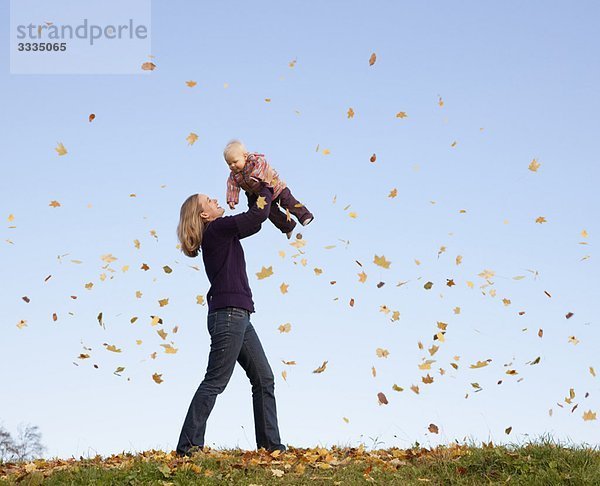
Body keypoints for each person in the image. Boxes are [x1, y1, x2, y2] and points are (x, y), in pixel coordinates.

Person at [175, 180, 287, 457]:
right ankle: (188, 447)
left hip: (237, 316)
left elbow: (254, 221)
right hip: (229, 316)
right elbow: (258, 216)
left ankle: (271, 447)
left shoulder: (221, 233)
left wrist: (253, 193)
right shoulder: (218, 230)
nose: (215, 200)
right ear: (204, 215)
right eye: (209, 201)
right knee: (215, 381)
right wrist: (265, 186)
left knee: (264, 378)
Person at [224, 139, 314, 239]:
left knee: (289, 202)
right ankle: (288, 227)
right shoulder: (234, 176)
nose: (232, 166)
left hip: (275, 188)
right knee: (271, 214)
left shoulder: (254, 161)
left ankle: (305, 215)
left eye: (235, 162)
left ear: (245, 157)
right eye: (229, 164)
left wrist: (257, 176)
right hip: (262, 196)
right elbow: (232, 186)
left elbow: (263, 166)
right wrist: (232, 199)